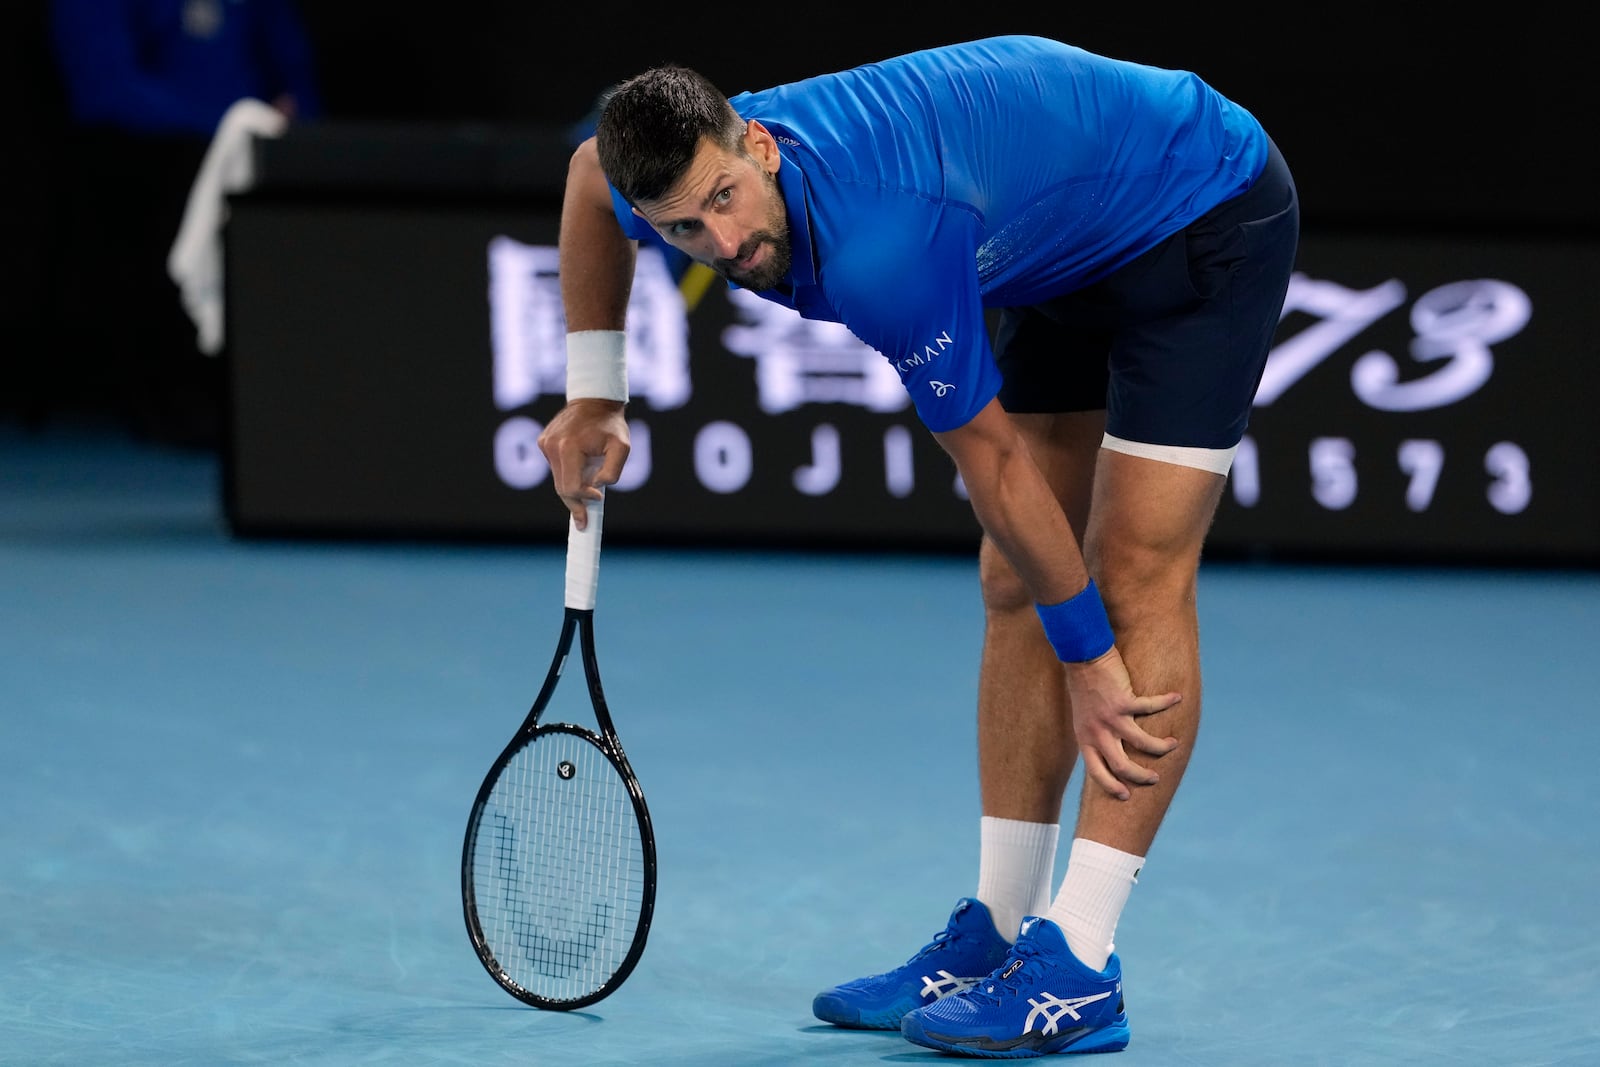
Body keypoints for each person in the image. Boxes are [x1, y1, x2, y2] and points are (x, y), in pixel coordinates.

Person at [538, 34, 1298, 1057]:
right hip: (1048, 232)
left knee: (1128, 576)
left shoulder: (879, 249)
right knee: (1012, 576)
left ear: (756, 144)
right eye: (681, 227)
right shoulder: (665, 178)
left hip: (1193, 204)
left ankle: (1079, 961)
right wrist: (595, 389)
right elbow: (591, 176)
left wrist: (1091, 661)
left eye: (723, 198)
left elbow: (992, 466)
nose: (718, 241)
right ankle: (993, 931)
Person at [46, 0, 320, 446]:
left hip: (246, 146)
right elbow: (105, 88)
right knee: (171, 173)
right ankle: (183, 384)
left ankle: (295, 391)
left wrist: (288, 123)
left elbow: (294, 75)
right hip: (151, 156)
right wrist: (218, 132)